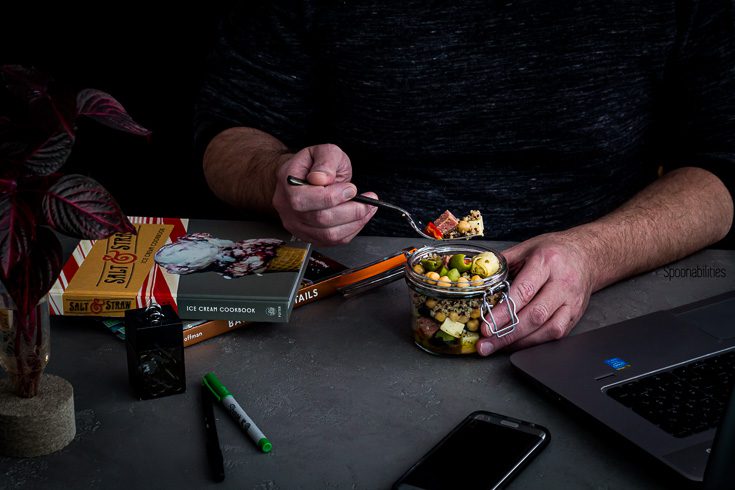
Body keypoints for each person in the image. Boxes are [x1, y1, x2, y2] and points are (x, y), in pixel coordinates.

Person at [194, 1, 734, 356]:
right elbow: (224, 136)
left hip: (612, 296)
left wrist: (595, 253)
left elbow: (721, 171)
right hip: (353, 302)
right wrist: (282, 178)